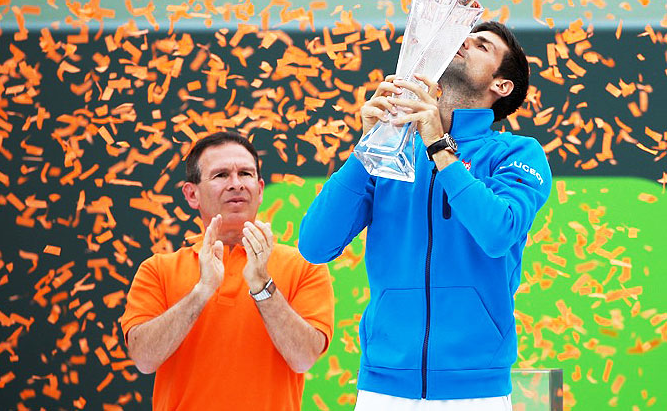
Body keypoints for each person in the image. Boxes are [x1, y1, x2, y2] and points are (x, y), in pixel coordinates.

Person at [298, 21, 552, 410]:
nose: (463, 42)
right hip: (382, 387)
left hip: (476, 389)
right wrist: (368, 147)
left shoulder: (516, 153)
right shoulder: (391, 152)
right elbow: (315, 245)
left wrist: (439, 145)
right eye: (462, 36)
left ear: (501, 85)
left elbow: (498, 232)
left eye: (482, 45)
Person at [121, 131, 335, 410]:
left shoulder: (304, 267)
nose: (236, 184)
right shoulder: (157, 270)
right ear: (191, 194)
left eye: (245, 174)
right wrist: (202, 291)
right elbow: (144, 359)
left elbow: (304, 358)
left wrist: (262, 285)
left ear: (259, 189)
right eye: (221, 175)